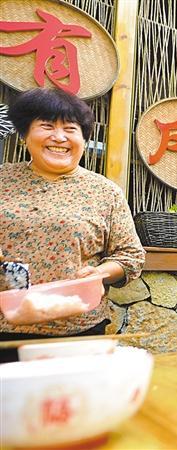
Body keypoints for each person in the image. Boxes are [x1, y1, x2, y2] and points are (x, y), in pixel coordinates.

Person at [0, 88, 145, 352]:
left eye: (70, 129)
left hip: (78, 330)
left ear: (84, 139)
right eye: (46, 126)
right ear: (24, 135)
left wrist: (100, 272)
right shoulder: (3, 179)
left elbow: (131, 256)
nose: (59, 137)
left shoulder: (105, 192)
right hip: (5, 328)